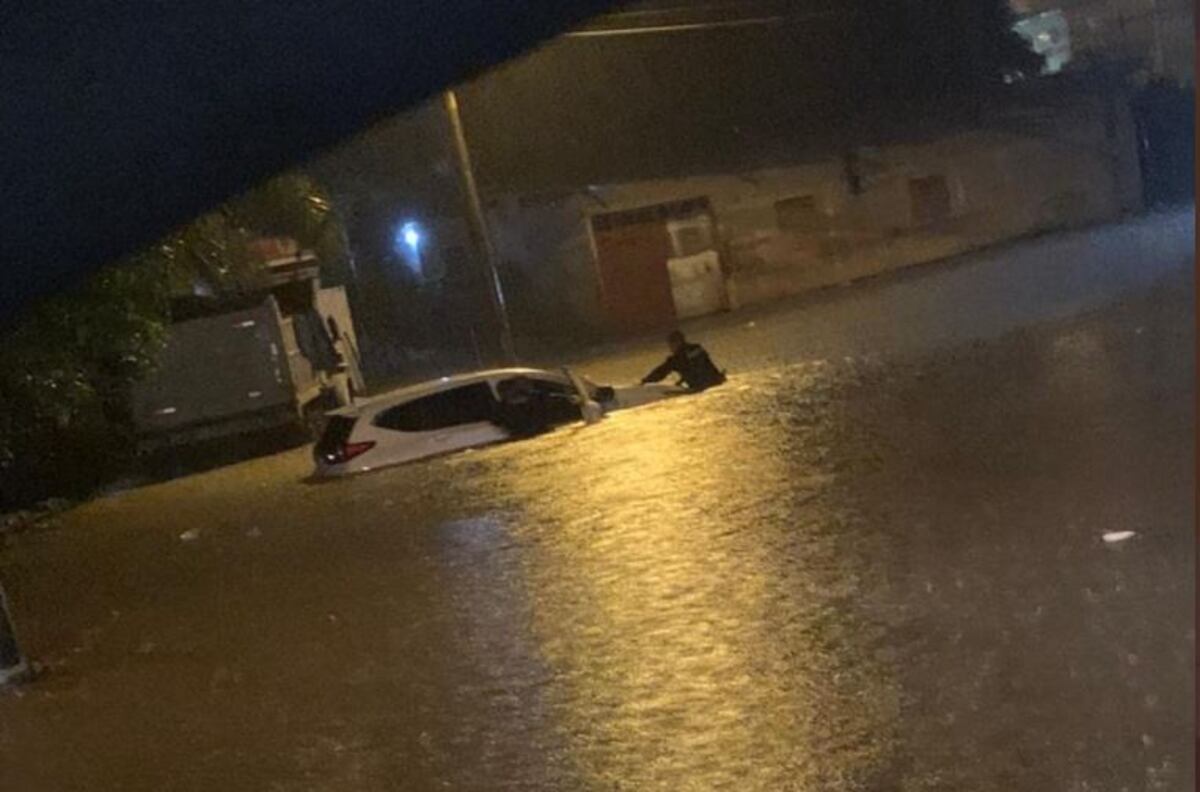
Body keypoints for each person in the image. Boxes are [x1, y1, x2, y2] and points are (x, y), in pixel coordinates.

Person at [641, 330, 726, 391]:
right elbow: (698, 367)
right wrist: (681, 380)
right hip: (716, 380)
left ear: (676, 343)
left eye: (670, 345)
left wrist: (645, 381)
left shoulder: (675, 359)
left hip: (700, 387)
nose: (670, 348)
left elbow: (660, 373)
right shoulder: (697, 348)